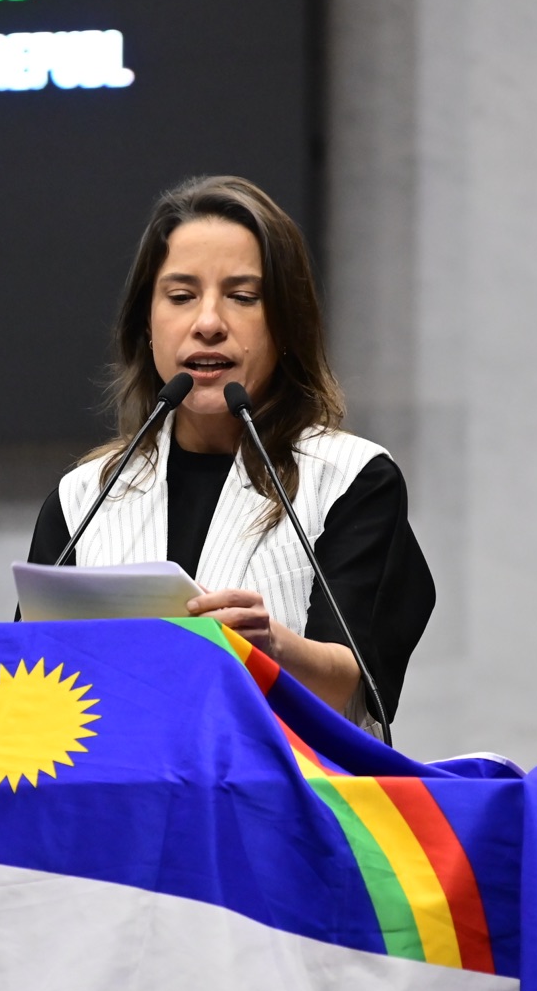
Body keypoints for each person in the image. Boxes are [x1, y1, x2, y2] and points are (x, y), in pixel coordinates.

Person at [27, 175, 435, 734]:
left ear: (287, 325)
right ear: (147, 325)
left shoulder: (350, 481)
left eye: (243, 297)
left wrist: (273, 649)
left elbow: (355, 681)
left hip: (295, 804)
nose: (209, 323)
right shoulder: (84, 498)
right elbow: (32, 686)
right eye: (181, 296)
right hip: (125, 806)